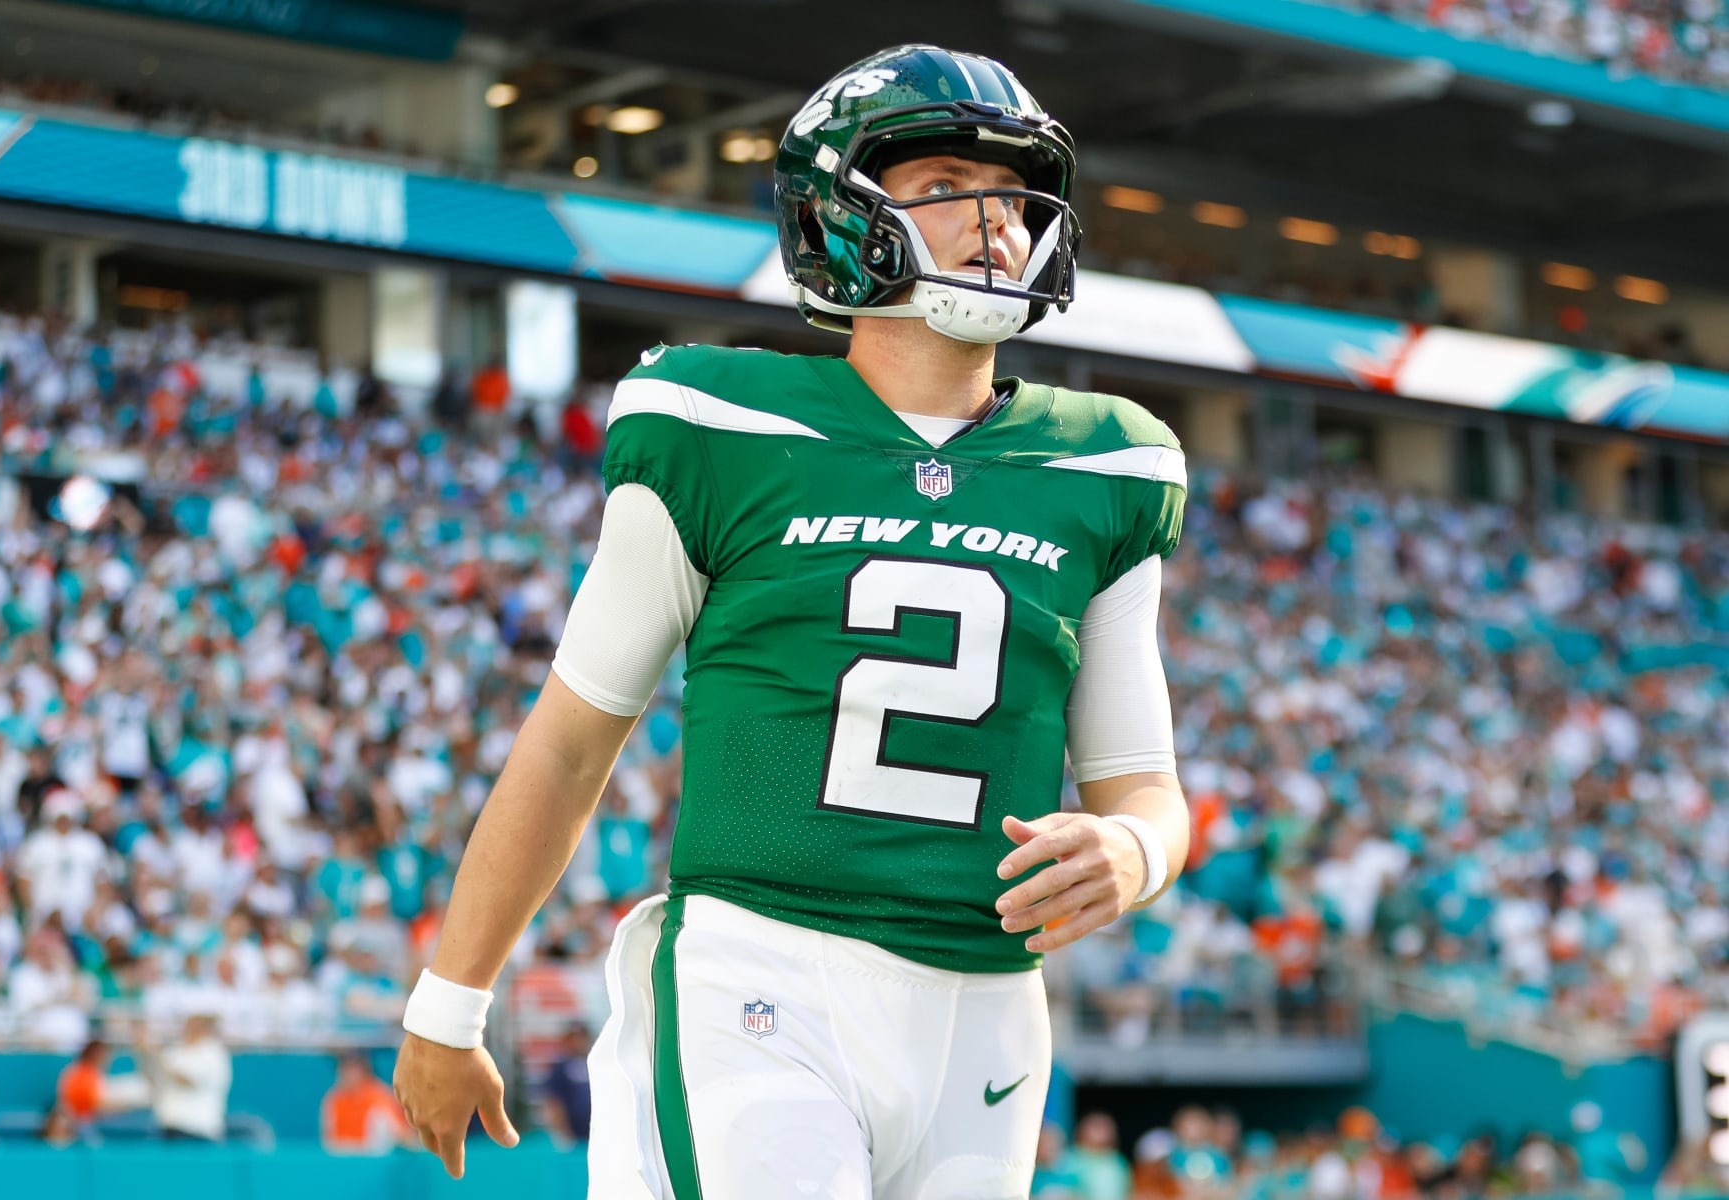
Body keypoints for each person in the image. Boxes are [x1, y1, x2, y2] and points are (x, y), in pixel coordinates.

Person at [392, 43, 1192, 1198]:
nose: (997, 220)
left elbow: (1142, 782)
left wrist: (1134, 851)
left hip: (989, 1016)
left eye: (1014, 192)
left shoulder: (1109, 461)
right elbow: (572, 741)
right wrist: (450, 1002)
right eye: (943, 185)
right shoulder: (716, 423)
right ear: (839, 215)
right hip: (764, 974)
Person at [138, 1012, 233, 1142]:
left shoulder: (212, 1052)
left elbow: (187, 1080)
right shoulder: (177, 1051)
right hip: (168, 1128)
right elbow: (153, 1080)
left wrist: (157, 1054)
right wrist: (144, 1053)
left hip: (197, 1131)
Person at [321, 1051, 413, 1154]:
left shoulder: (380, 1096)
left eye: (353, 1068)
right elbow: (330, 1143)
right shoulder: (333, 1099)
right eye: (344, 1068)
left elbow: (405, 1138)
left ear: (365, 1070)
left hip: (376, 1162)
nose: (348, 1074)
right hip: (345, 1162)